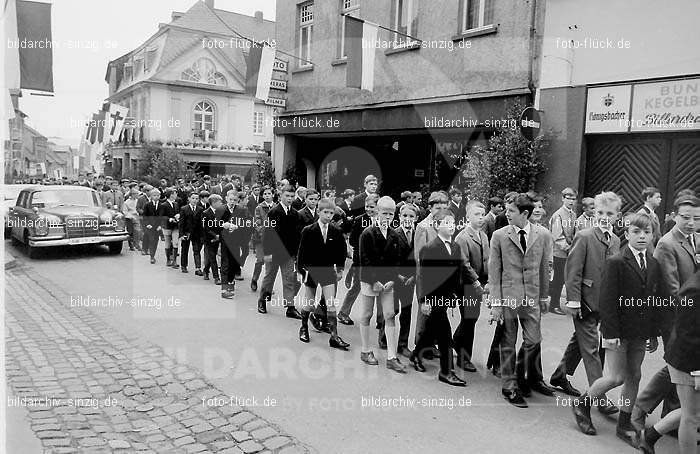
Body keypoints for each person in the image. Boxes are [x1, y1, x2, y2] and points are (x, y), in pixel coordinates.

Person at [571, 213, 666, 445]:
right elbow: (607, 301)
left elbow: (655, 300)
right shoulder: (616, 262)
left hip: (640, 331)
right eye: (636, 232)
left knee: (635, 375)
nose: (642, 236)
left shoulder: (654, 264)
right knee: (616, 377)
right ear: (627, 233)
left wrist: (653, 333)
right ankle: (583, 402)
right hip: (617, 331)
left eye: (647, 232)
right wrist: (610, 334)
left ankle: (624, 422)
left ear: (653, 235)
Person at [550, 192, 621, 416]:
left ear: (617, 216)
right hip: (584, 302)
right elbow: (573, 271)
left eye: (609, 214)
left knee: (580, 341)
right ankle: (599, 397)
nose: (604, 217)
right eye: (600, 212)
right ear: (594, 213)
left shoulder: (616, 240)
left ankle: (560, 374)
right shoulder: (585, 236)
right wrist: (573, 300)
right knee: (592, 348)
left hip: (603, 303)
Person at [633, 194, 700, 429]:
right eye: (685, 217)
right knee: (676, 367)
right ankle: (640, 409)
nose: (691, 223)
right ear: (674, 216)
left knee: (682, 367)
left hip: (693, 316)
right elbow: (671, 289)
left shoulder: (696, 240)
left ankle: (671, 418)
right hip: (675, 316)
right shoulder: (667, 244)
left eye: (696, 218)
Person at [488, 193, 552, 407]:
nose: (507, 214)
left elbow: (544, 267)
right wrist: (496, 304)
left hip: (532, 298)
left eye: (512, 211)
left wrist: (544, 295)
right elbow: (494, 273)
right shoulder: (499, 235)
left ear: (525, 213)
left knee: (533, 340)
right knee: (508, 342)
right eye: (507, 210)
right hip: (508, 297)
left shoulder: (542, 235)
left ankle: (519, 375)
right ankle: (509, 386)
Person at [638, 271, 700, 454]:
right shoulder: (695, 289)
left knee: (693, 411)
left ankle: (649, 436)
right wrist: (697, 370)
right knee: (692, 416)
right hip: (689, 361)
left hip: (691, 358)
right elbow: (688, 333)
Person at [410, 211, 465, 385]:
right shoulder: (430, 248)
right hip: (433, 297)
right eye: (447, 223)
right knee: (444, 334)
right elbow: (424, 277)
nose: (451, 226)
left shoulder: (456, 247)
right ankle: (446, 371)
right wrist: (424, 300)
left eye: (453, 222)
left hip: (446, 296)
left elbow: (456, 273)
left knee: (431, 330)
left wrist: (455, 294)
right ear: (436, 225)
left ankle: (416, 354)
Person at [357, 196, 405, 372]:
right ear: (377, 212)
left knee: (390, 314)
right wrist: (374, 281)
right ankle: (365, 350)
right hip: (370, 279)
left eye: (391, 214)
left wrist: (392, 279)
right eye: (384, 213)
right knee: (367, 313)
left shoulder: (394, 234)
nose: (388, 217)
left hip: (388, 282)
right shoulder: (367, 233)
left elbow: (396, 260)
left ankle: (392, 356)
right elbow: (365, 259)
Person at [296, 198, 349, 350]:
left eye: (331, 213)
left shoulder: (336, 231)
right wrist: (301, 271)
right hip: (311, 271)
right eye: (325, 212)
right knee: (310, 303)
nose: (328, 215)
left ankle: (334, 336)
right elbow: (301, 253)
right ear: (319, 212)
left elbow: (341, 252)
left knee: (330, 303)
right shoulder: (308, 230)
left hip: (327, 271)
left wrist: (339, 268)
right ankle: (304, 327)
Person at [453, 201, 489, 373]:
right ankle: (463, 357)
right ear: (468, 217)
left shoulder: (483, 235)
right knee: (469, 319)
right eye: (477, 214)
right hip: (466, 285)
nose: (481, 218)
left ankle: (456, 341)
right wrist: (475, 282)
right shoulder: (462, 237)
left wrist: (487, 281)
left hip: (479, 284)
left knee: (471, 319)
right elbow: (464, 263)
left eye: (483, 214)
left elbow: (487, 261)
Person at [258, 184, 303, 319]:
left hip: (288, 253)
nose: (290, 199)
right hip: (273, 253)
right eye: (287, 196)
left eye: (292, 196)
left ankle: (290, 307)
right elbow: (266, 234)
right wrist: (266, 253)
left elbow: (297, 235)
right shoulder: (274, 212)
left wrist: (295, 253)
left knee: (289, 279)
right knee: (269, 278)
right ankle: (262, 301)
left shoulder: (295, 213)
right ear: (280, 195)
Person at [413, 191, 450, 358]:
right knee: (424, 311)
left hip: (441, 276)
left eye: (444, 207)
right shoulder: (423, 227)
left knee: (437, 312)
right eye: (437, 207)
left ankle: (432, 344)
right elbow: (419, 256)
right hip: (426, 275)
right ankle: (420, 345)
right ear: (429, 208)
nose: (440, 210)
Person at [337, 194, 379, 325]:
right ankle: (343, 313)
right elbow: (354, 241)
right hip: (361, 260)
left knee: (380, 288)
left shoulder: (384, 220)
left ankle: (381, 319)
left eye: (372, 207)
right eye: (367, 206)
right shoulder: (359, 220)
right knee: (357, 287)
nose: (369, 209)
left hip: (377, 262)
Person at [549, 187, 578, 316]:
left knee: (566, 278)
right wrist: (569, 248)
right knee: (559, 279)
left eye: (573, 199)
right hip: (559, 253)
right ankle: (553, 304)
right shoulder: (558, 215)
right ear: (562, 199)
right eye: (568, 198)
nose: (571, 201)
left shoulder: (573, 214)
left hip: (569, 252)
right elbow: (557, 236)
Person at [393, 203, 417, 358]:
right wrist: (397, 275)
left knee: (406, 312)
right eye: (405, 216)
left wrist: (414, 276)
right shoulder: (393, 234)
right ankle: (384, 337)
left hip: (410, 279)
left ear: (416, 218)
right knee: (391, 310)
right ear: (399, 217)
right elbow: (389, 258)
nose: (408, 219)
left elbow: (421, 258)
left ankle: (403, 343)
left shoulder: (419, 235)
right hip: (396, 279)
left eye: (411, 216)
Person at [217, 189, 250, 299]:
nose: (232, 202)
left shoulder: (242, 209)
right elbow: (214, 224)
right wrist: (223, 225)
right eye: (230, 199)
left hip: (236, 240)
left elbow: (247, 224)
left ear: (237, 200)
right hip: (225, 240)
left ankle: (230, 282)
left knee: (233, 262)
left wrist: (237, 227)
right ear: (226, 199)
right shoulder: (221, 209)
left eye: (235, 200)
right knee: (225, 262)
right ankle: (224, 289)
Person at [251, 186, 275, 292]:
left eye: (269, 193)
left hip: (273, 240)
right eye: (265, 194)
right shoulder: (259, 207)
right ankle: (254, 279)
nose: (267, 195)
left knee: (270, 262)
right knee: (260, 260)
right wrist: (263, 233)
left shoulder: (276, 207)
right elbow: (257, 222)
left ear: (273, 195)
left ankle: (268, 285)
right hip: (260, 239)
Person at [179, 192, 204, 275]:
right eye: (193, 198)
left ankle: (198, 268)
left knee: (197, 250)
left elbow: (201, 223)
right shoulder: (184, 209)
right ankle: (184, 265)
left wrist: (202, 234)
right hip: (187, 232)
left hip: (196, 233)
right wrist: (181, 234)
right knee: (185, 249)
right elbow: (181, 223)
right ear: (189, 199)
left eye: (197, 199)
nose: (194, 200)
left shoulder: (200, 209)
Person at [201, 194, 223, 285]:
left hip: (219, 238)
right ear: (213, 203)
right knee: (213, 257)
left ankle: (205, 271)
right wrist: (215, 235)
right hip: (209, 239)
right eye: (219, 202)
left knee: (211, 257)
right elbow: (205, 227)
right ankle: (216, 277)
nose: (221, 203)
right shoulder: (205, 213)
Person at [159, 189, 181, 269]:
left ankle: (174, 261)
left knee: (175, 243)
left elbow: (177, 212)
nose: (176, 195)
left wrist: (178, 215)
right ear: (171, 195)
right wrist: (169, 219)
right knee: (168, 243)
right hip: (167, 226)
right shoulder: (163, 205)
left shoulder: (176, 203)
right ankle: (168, 260)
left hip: (175, 226)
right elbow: (161, 216)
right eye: (175, 194)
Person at [638, 186, 663, 252]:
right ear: (648, 198)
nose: (660, 199)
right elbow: (643, 236)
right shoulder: (642, 214)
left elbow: (658, 235)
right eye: (657, 197)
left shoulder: (655, 215)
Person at [142, 189, 163, 264]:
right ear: (151, 196)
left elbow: (162, 216)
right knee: (151, 240)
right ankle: (152, 257)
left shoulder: (161, 205)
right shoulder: (147, 204)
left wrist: (161, 225)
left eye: (158, 195)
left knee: (156, 241)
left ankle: (153, 254)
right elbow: (144, 215)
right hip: (150, 226)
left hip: (157, 226)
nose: (156, 197)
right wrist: (147, 224)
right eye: (154, 195)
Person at [121, 184, 142, 251]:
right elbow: (124, 211)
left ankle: (137, 244)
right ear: (132, 194)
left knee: (138, 231)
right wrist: (130, 216)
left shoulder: (137, 201)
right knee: (130, 232)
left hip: (137, 217)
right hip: (129, 218)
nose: (137, 195)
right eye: (136, 194)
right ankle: (131, 245)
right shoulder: (127, 202)